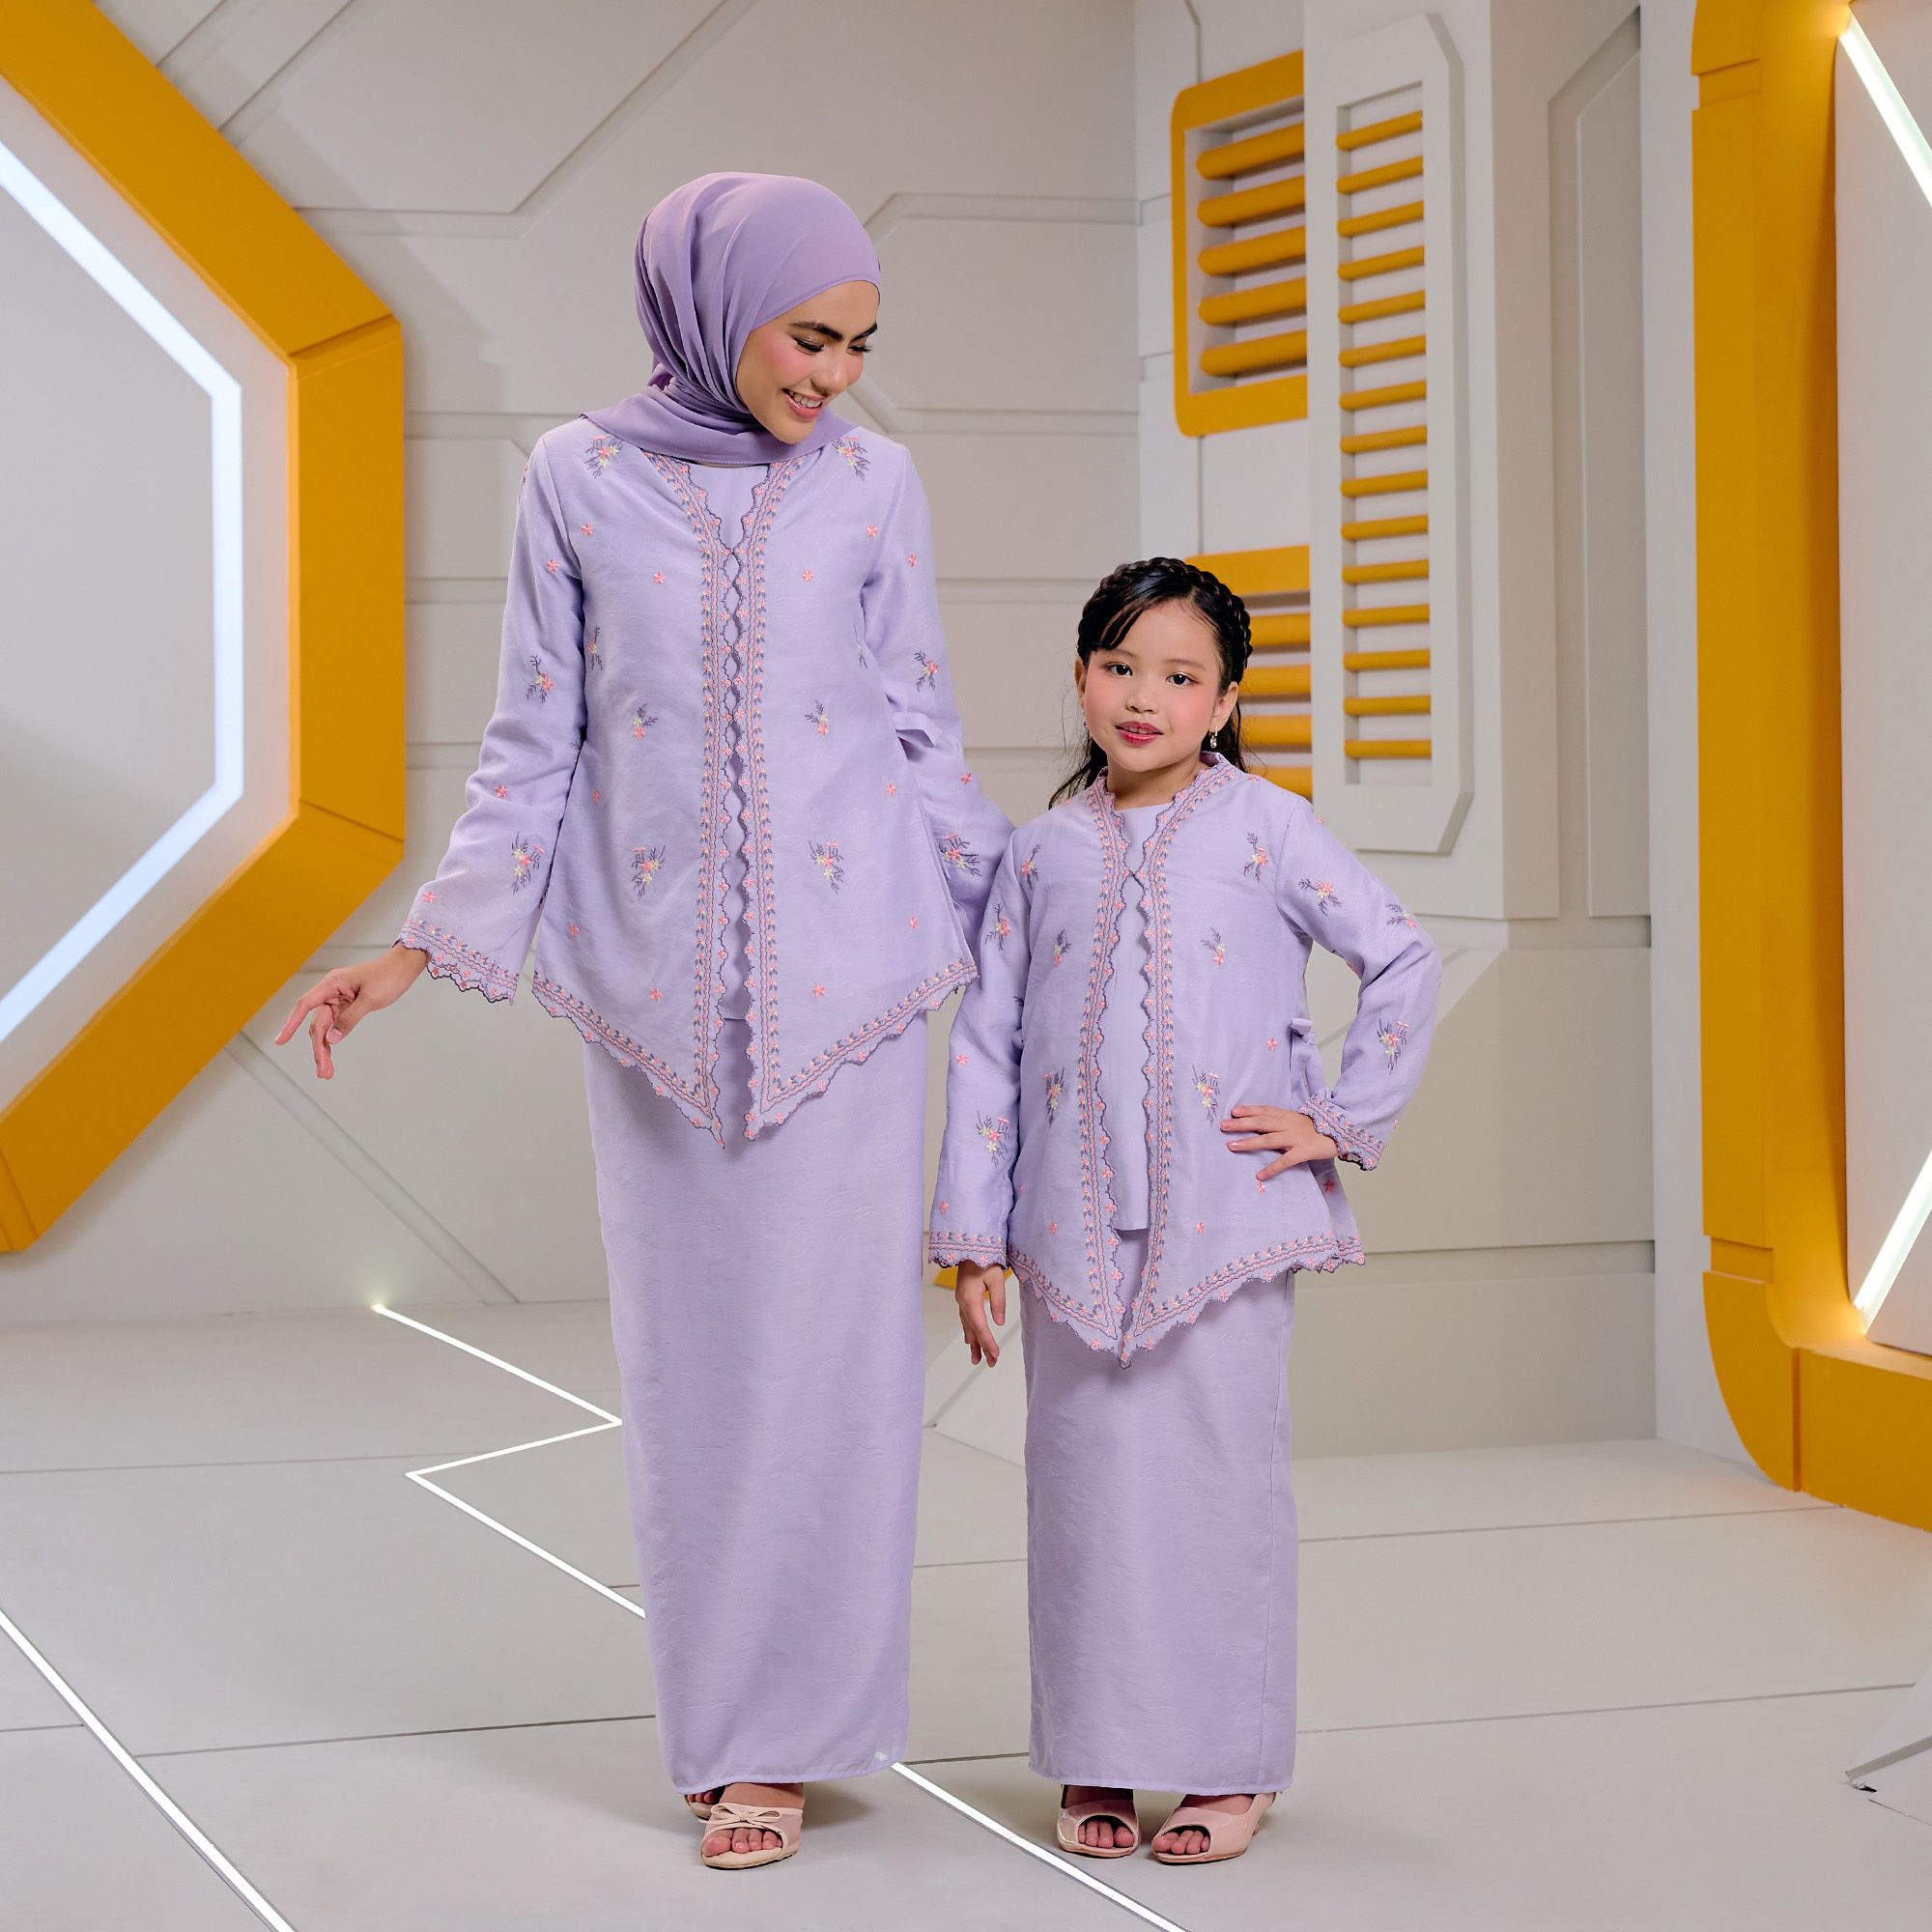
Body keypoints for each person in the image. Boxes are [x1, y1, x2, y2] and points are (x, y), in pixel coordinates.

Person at [277, 172, 1011, 1871]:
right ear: (714, 304)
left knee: (843, 1375)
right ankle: (733, 1733)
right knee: (700, 1381)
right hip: (660, 1005)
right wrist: (420, 949)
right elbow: (535, 740)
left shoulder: (877, 483)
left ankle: (800, 1736)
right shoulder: (578, 476)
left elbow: (921, 728)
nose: (834, 375)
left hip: (860, 993)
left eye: (860, 345)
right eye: (809, 336)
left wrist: (1027, 929)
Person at [928, 557, 1440, 1864]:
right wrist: (973, 1239)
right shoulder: (1039, 854)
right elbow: (986, 1048)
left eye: (1178, 675)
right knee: (1083, 1501)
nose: (1143, 696)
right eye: (1119, 667)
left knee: (1218, 1495)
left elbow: (1398, 954)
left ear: (1224, 701)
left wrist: (1339, 1116)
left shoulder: (1267, 827)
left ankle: (1228, 1764)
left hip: (1227, 1229)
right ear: (1082, 677)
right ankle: (1098, 1755)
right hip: (1068, 1236)